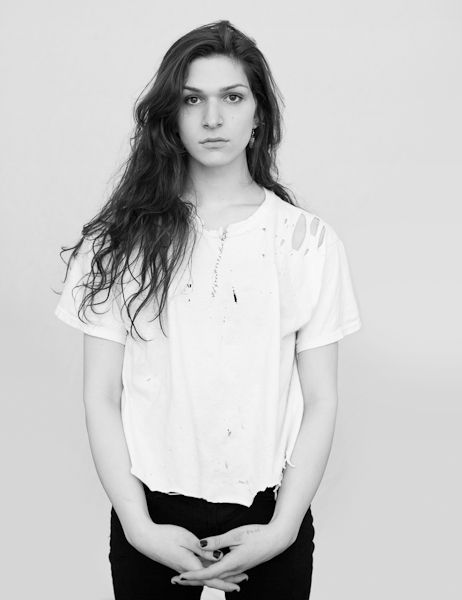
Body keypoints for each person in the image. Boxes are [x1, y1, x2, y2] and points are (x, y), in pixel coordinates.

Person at [54, 19, 362, 600]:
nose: (213, 118)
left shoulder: (307, 242)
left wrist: (282, 530)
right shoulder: (117, 242)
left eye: (233, 97)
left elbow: (321, 399)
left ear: (259, 114)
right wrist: (138, 526)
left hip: (272, 513)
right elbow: (101, 395)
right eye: (192, 99)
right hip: (150, 510)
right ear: (170, 115)